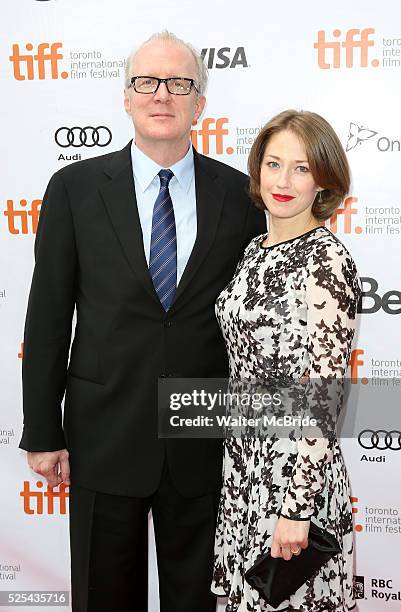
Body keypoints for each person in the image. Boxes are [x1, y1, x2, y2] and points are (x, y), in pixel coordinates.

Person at [19, 31, 266, 612]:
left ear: (199, 104)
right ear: (126, 97)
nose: (162, 94)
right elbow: (49, 317)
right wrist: (42, 431)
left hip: (204, 441)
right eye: (146, 82)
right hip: (103, 436)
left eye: (179, 83)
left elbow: (254, 331)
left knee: (199, 601)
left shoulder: (240, 196)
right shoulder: (74, 189)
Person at [211, 110, 361, 611]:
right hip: (244, 473)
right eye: (274, 164)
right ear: (257, 170)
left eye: (301, 168)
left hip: (293, 478)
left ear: (323, 179)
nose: (283, 180)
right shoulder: (256, 249)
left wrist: (296, 510)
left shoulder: (326, 261)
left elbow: (323, 396)